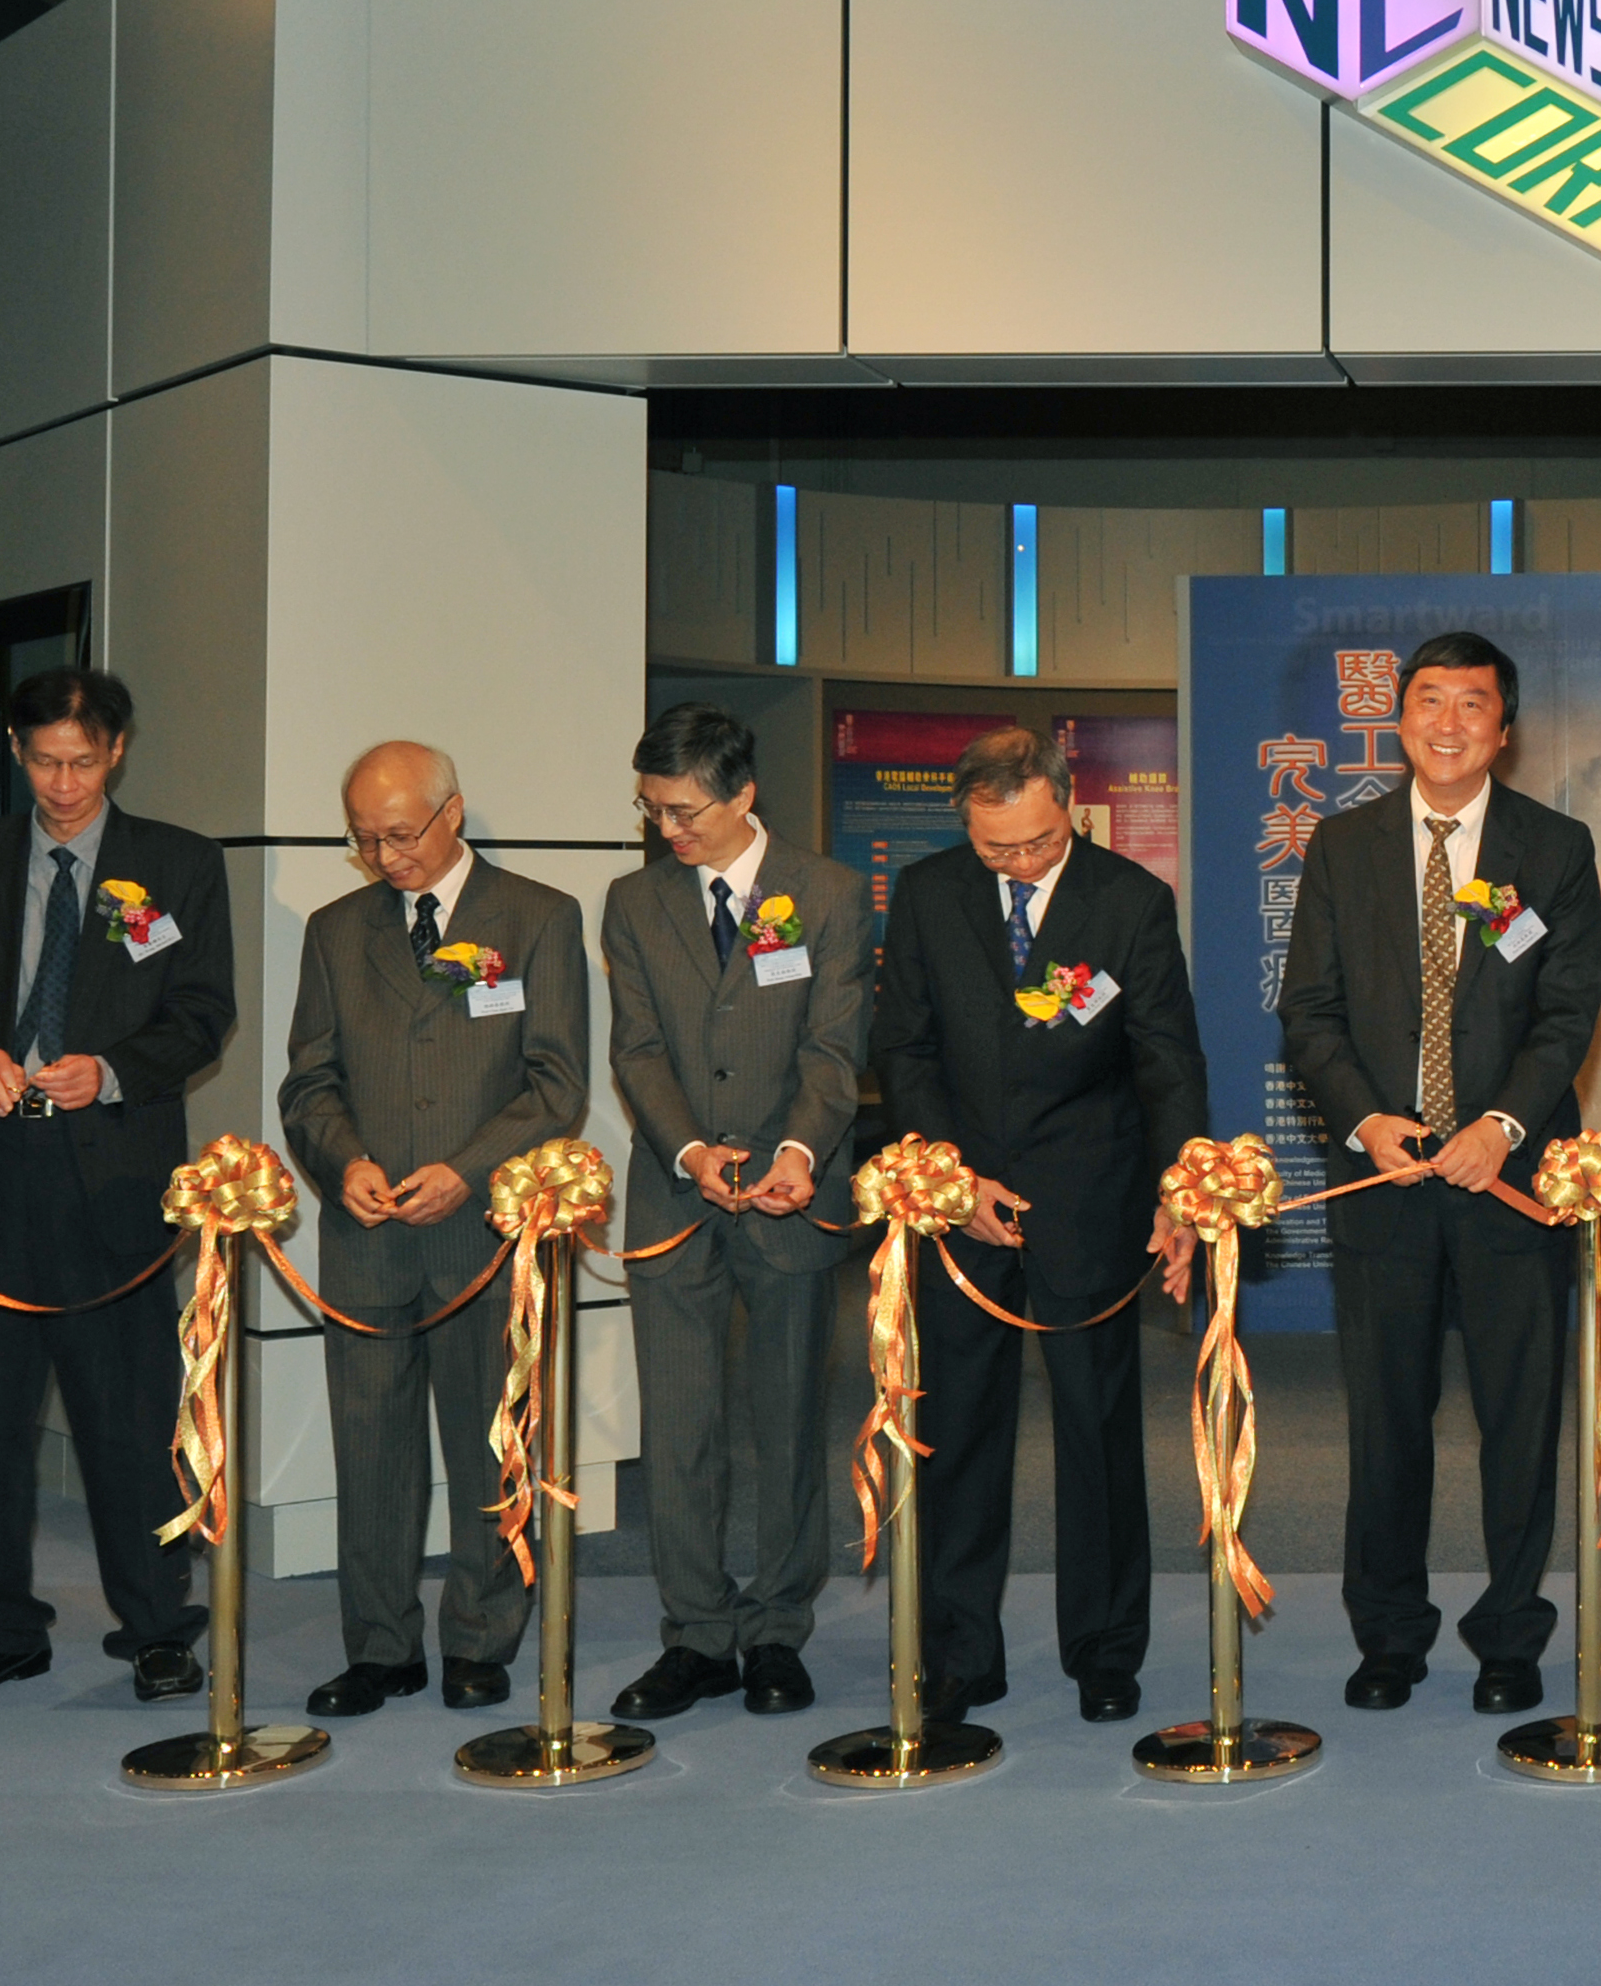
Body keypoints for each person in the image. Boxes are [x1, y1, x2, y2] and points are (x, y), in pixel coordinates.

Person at [0, 667, 236, 1708]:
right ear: (14, 749)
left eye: (82, 761)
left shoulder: (177, 863)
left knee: (127, 1420)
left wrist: (114, 1068)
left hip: (114, 1175)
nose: (64, 783)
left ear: (117, 750)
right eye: (43, 761)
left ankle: (159, 1627)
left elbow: (202, 1011)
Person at [1277, 632, 1601, 1717]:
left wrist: (1503, 1125)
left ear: (1503, 729)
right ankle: (1387, 1637)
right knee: (1384, 1420)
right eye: (1429, 701)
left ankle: (1510, 1637)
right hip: (1385, 1182)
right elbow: (1309, 1011)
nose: (1448, 721)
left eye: (1472, 705)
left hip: (1503, 1183)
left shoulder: (1552, 847)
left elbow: (1566, 1011)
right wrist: (1367, 1120)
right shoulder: (1343, 843)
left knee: (1519, 1420)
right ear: (1399, 718)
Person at [876, 723, 1208, 1727]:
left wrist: (1176, 1189)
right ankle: (957, 1649)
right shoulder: (930, 895)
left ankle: (1104, 1649)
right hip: (963, 1202)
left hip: (1089, 1201)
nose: (1017, 863)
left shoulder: (1130, 903)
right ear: (964, 825)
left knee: (1096, 1428)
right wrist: (952, 1175)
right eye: (995, 849)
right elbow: (905, 1050)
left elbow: (1166, 1061)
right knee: (957, 1426)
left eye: (1035, 843)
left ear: (1068, 807)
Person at [278, 742, 591, 1719]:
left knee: (486, 1440)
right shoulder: (335, 932)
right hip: (366, 1235)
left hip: (482, 1233)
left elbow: (557, 1083)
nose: (383, 855)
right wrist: (344, 1162)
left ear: (453, 812)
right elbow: (309, 1081)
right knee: (369, 1449)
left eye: (400, 833)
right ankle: (379, 1647)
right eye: (364, 838)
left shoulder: (538, 917)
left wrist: (466, 1171)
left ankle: (479, 1637)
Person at [595, 704, 870, 1726]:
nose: (667, 831)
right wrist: (691, 1150)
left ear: (742, 793)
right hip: (675, 1193)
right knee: (679, 1426)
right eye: (651, 810)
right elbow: (637, 1049)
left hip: (792, 1195)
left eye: (683, 810)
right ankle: (696, 1635)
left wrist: (797, 1152)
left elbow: (835, 1048)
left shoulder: (829, 893)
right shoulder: (633, 902)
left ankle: (774, 1632)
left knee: (788, 1418)